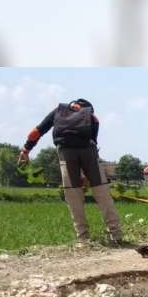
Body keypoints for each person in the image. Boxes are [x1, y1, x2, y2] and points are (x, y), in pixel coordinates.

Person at [18, 98, 122, 246]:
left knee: (73, 195)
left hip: (66, 153)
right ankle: (115, 235)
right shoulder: (92, 118)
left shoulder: (58, 112)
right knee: (101, 192)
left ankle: (83, 238)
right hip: (88, 152)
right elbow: (93, 143)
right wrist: (88, 175)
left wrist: (25, 150)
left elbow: (36, 132)